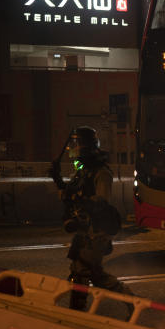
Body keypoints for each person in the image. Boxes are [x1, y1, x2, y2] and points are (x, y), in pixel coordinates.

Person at [56, 126, 132, 310]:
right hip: (84, 227)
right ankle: (128, 302)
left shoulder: (101, 172)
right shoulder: (83, 170)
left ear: (85, 146)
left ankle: (130, 301)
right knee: (86, 273)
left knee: (84, 271)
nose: (72, 149)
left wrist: (76, 199)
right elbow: (70, 193)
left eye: (77, 144)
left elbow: (100, 202)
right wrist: (59, 183)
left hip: (98, 229)